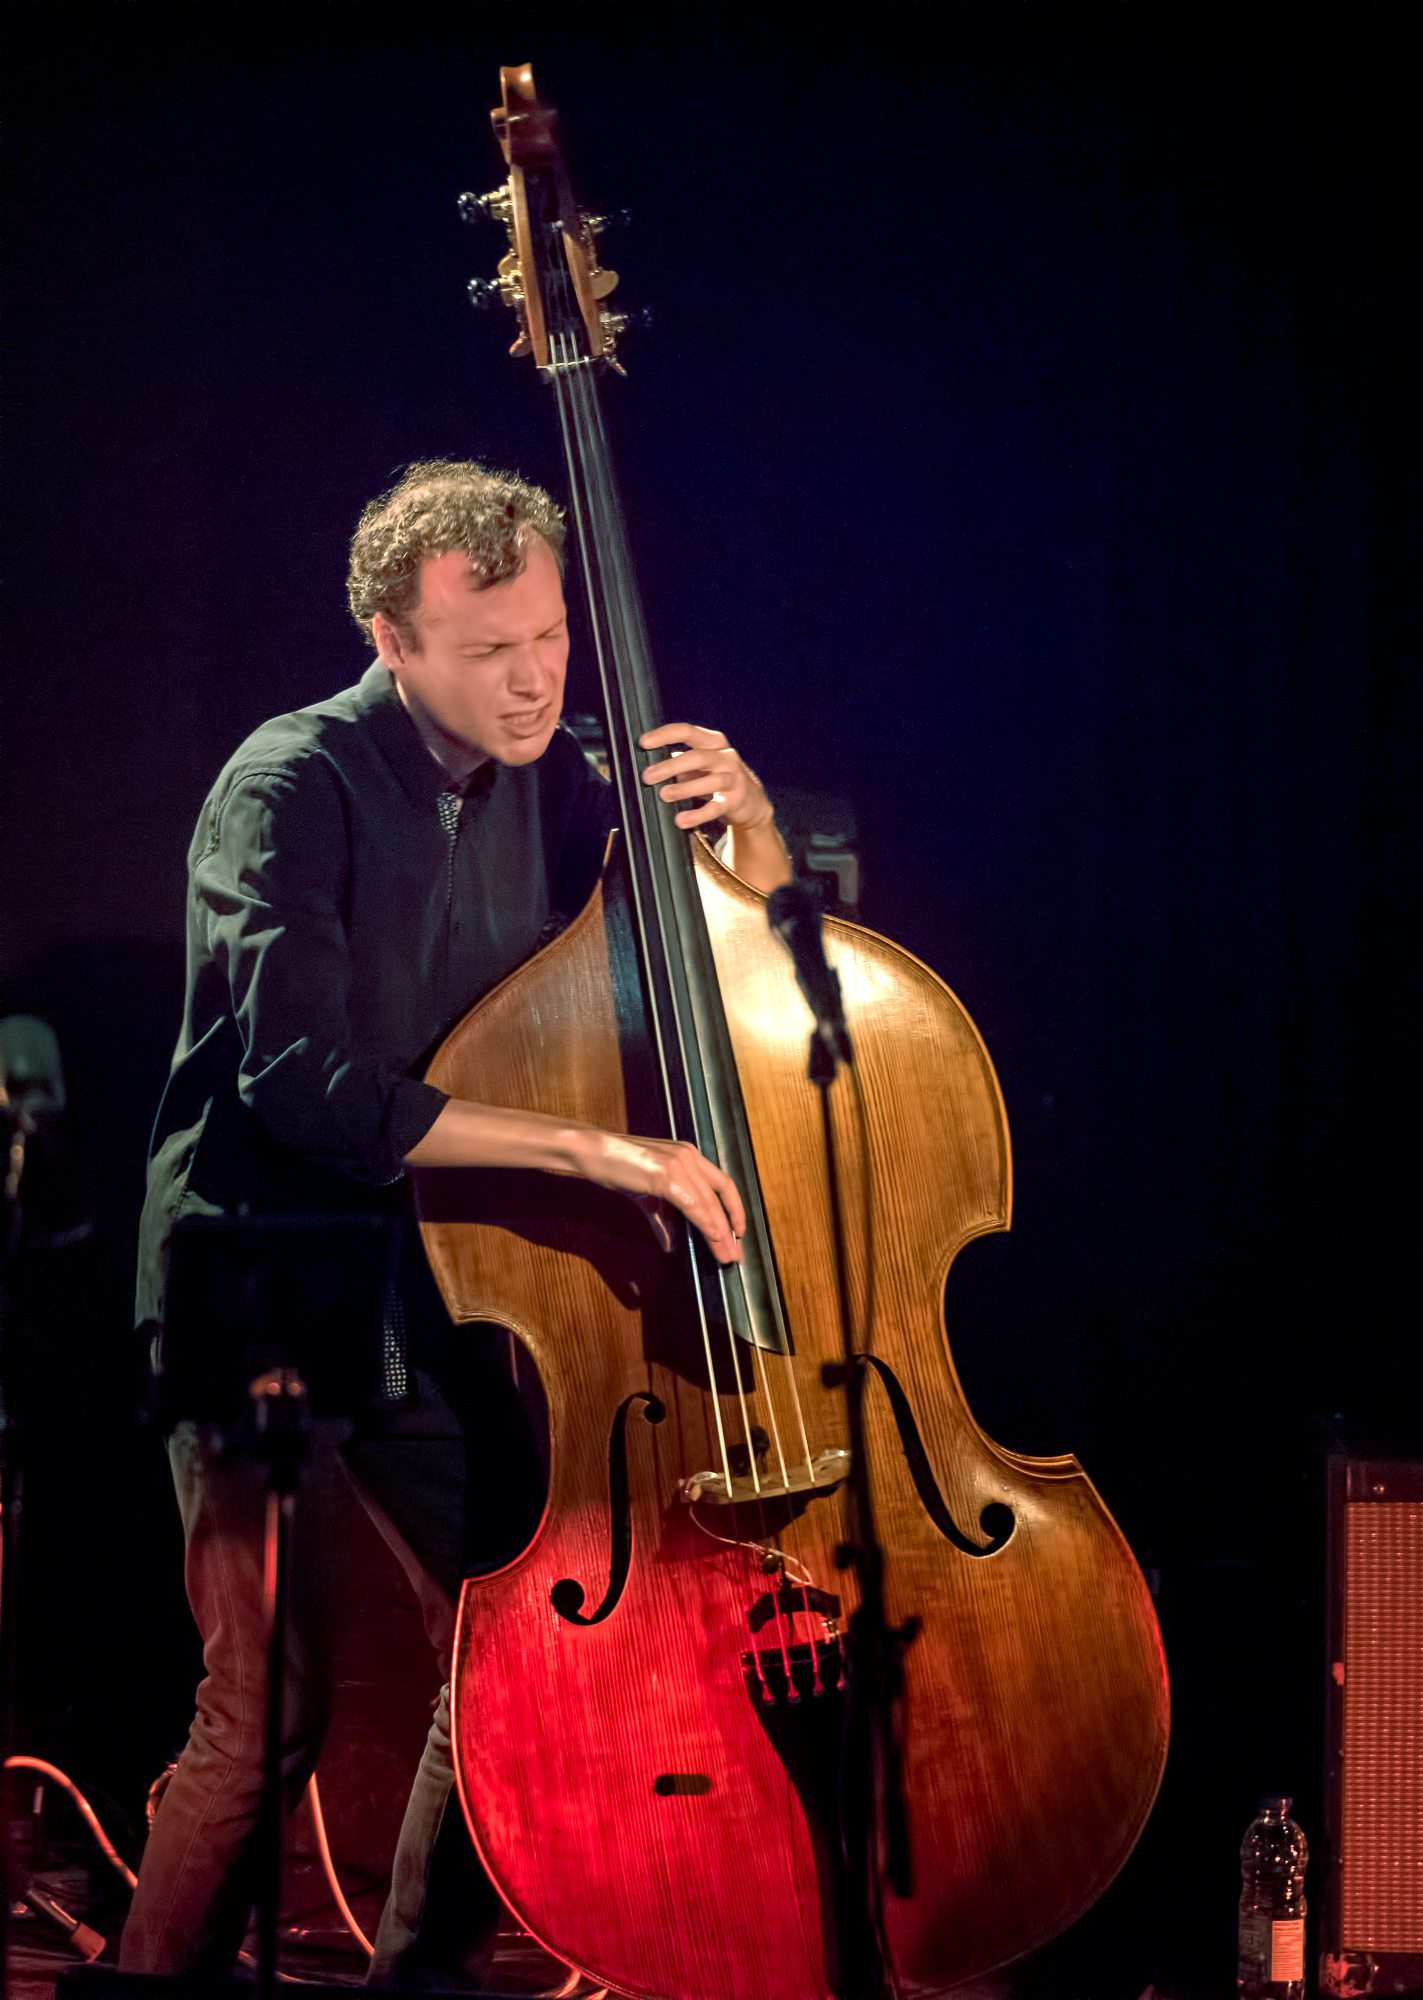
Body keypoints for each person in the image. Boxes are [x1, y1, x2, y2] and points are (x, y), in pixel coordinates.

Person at [119, 459, 791, 1984]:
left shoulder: (555, 777)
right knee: (268, 1706)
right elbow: (305, 1088)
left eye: (549, 637)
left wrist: (745, 833)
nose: (534, 676)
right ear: (390, 637)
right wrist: (596, 1157)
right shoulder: (286, 784)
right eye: (490, 651)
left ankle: (412, 1975)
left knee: (515, 1649)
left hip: (428, 1269)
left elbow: (741, 957)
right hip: (260, 1260)